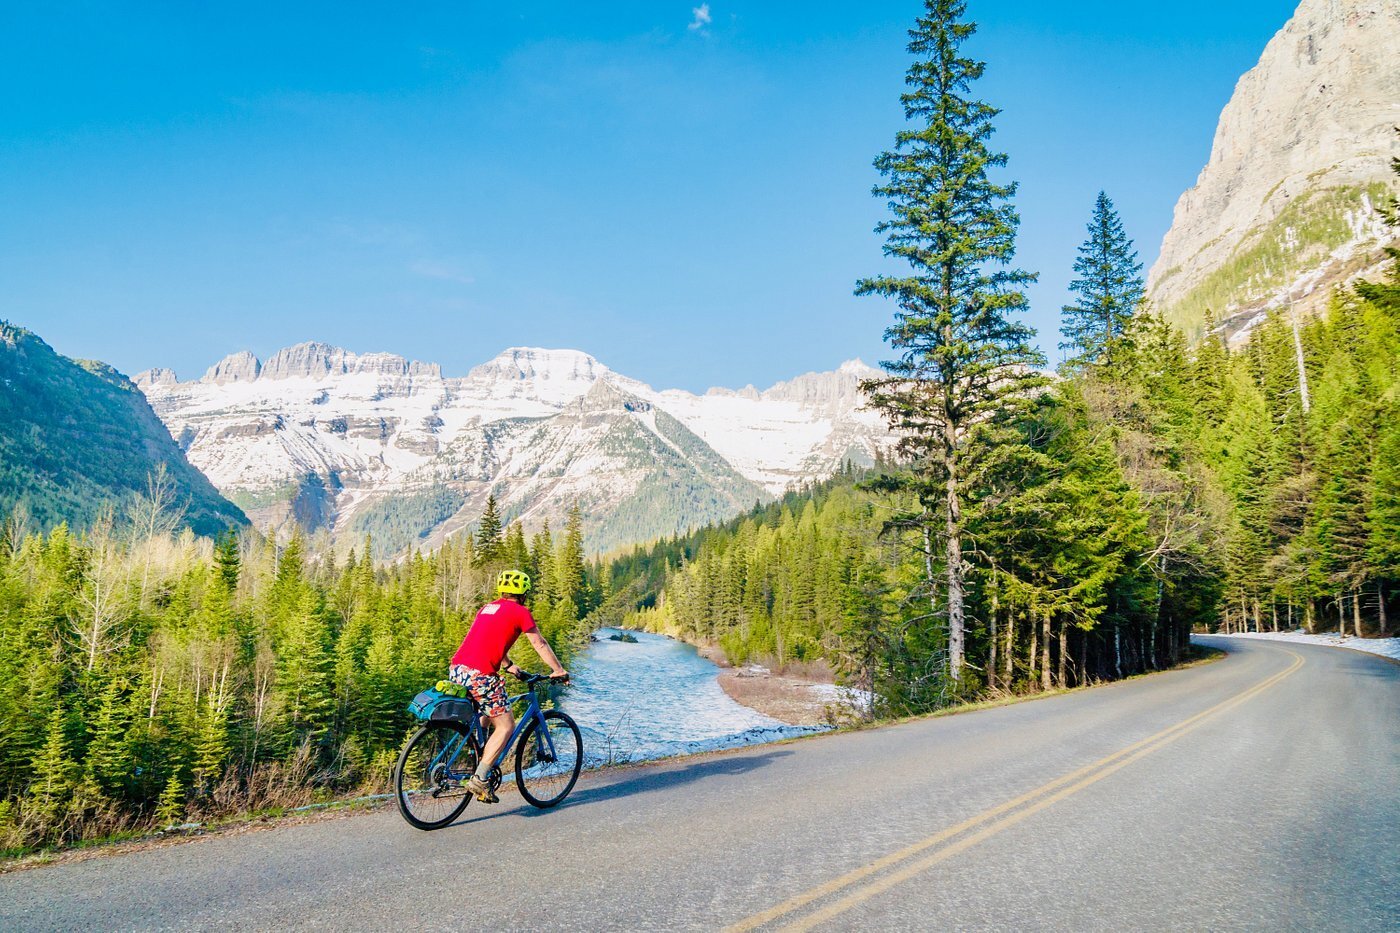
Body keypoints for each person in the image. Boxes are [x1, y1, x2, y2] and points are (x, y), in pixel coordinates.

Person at [448, 569, 568, 803]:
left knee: (487, 710)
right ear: (523, 593)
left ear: (502, 591)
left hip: (457, 669)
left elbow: (487, 639)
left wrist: (509, 665)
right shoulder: (521, 612)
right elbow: (540, 643)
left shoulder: (487, 608)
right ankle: (481, 777)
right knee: (505, 725)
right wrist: (559, 670)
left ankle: (478, 748)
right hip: (481, 674)